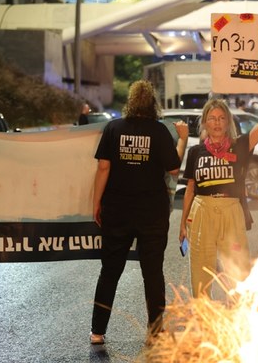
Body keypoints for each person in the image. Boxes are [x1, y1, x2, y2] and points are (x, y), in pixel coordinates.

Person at [90, 80, 188, 345]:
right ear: (153, 103)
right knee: (153, 272)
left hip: (117, 211)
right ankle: (155, 333)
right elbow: (174, 170)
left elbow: (103, 169)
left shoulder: (113, 128)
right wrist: (183, 140)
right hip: (152, 214)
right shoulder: (159, 132)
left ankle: (98, 331)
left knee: (110, 270)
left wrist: (96, 202)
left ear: (131, 101)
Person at [179, 70, 258, 298]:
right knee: (200, 272)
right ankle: (203, 321)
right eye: (212, 118)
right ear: (205, 122)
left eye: (221, 118)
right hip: (202, 212)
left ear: (227, 122)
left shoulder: (239, 145)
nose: (217, 123)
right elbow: (191, 188)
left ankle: (235, 321)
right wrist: (183, 224)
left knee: (236, 272)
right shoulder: (196, 151)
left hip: (232, 212)